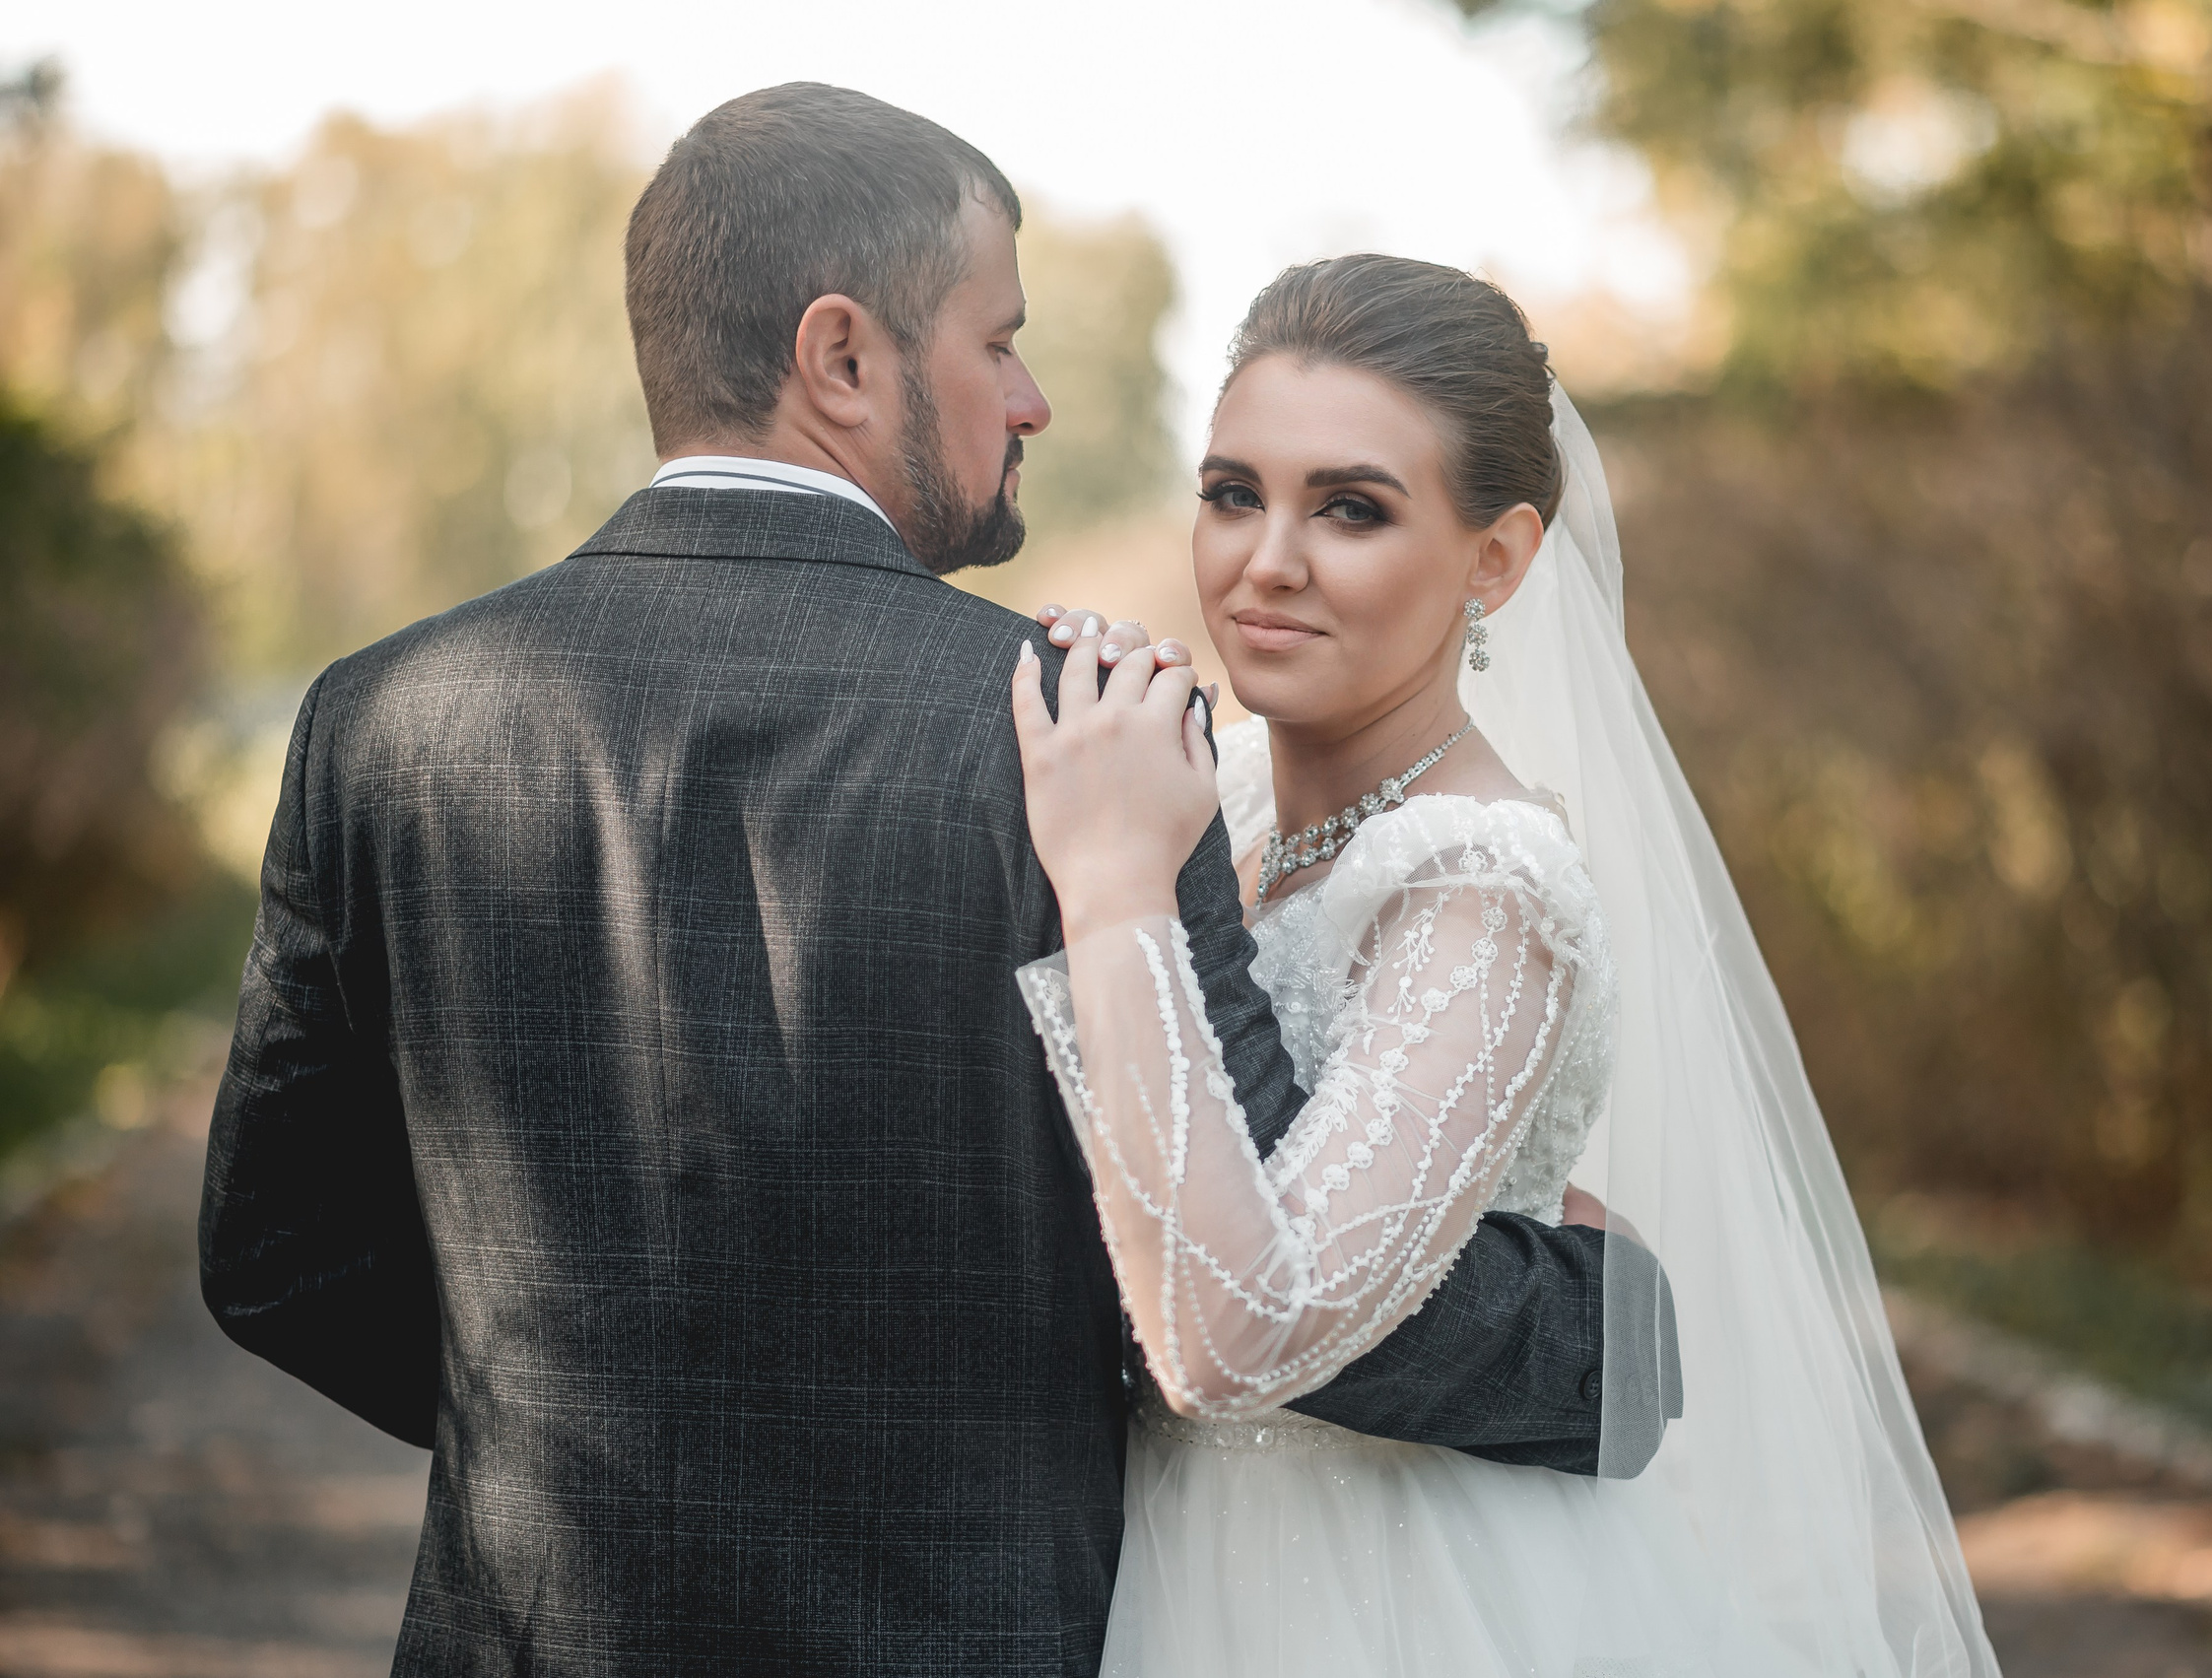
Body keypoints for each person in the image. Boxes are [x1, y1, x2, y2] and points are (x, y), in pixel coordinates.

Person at [197, 88, 1613, 1674]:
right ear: (844, 359)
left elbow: (281, 1258)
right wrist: (1606, 1339)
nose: (1035, 401)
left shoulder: (380, 716)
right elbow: (1242, 1267)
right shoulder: (1087, 735)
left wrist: (572, 1416)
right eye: (998, 341)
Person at [1010, 255, 2004, 1677]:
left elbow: (1239, 1340)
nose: (1265, 559)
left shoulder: (1485, 884)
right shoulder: (1205, 798)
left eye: (1350, 508)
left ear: (1499, 558)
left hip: (1397, 1591)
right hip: (1174, 1553)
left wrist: (1111, 889)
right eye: (1235, 492)